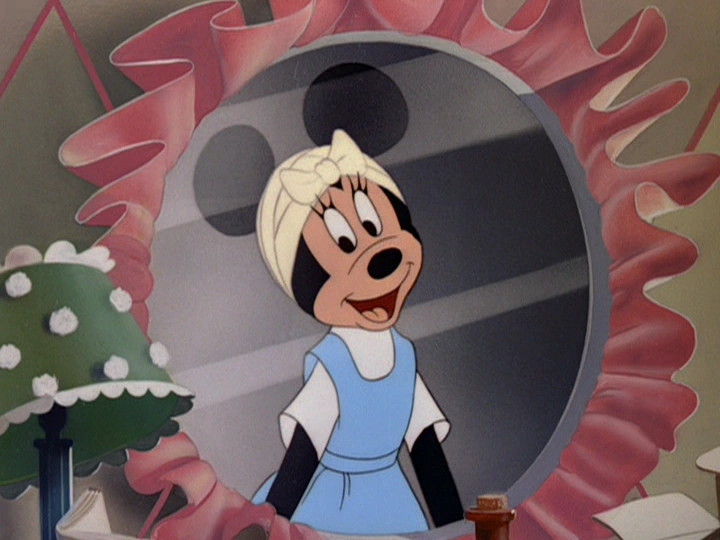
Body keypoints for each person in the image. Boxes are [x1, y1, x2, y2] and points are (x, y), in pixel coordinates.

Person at [253, 129, 462, 534]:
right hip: (329, 509)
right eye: (346, 243)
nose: (378, 260)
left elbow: (427, 456)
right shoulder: (331, 365)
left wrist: (455, 529)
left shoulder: (405, 358)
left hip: (391, 504)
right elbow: (302, 459)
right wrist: (271, 529)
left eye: (375, 226)